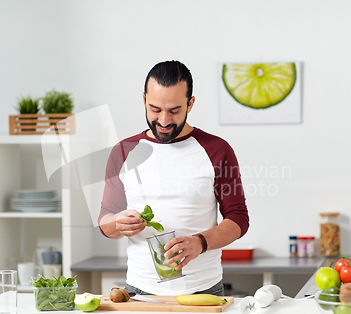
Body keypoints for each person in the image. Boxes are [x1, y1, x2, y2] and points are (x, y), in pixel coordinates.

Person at [98, 60, 249, 296]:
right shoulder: (123, 151)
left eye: (174, 111)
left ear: (190, 104)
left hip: (203, 291)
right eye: (155, 109)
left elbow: (239, 219)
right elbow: (105, 221)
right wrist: (117, 223)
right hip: (139, 291)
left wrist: (200, 243)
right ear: (144, 99)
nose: (164, 121)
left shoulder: (217, 150)